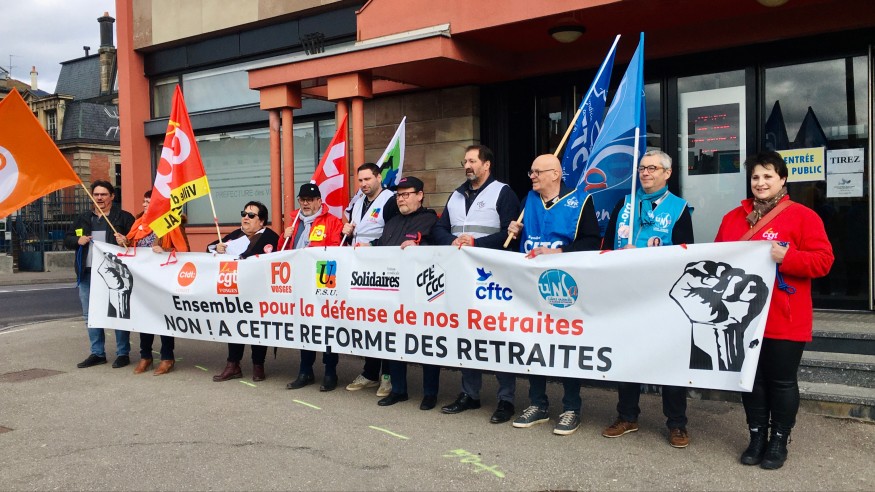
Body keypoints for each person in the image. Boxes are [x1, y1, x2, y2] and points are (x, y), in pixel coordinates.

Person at [714, 151, 833, 469]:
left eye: (768, 176)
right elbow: (718, 262)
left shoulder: (803, 217)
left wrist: (788, 258)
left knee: (781, 381)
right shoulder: (732, 218)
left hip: (785, 315)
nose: (761, 182)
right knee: (751, 380)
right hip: (743, 317)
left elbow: (824, 261)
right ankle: (756, 437)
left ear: (782, 179)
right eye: (755, 177)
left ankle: (779, 439)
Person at [599, 150, 695, 448]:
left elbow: (685, 255)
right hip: (626, 295)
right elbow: (605, 246)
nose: (645, 173)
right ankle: (627, 416)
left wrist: (641, 255)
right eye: (642, 167)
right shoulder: (624, 203)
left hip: (662, 298)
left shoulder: (679, 208)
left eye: (652, 168)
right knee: (628, 356)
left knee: (669, 360)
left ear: (667, 173)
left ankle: (677, 423)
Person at [506, 154, 601, 435]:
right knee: (534, 345)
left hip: (565, 287)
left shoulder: (580, 201)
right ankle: (538, 403)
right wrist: (513, 232)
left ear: (555, 174)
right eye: (531, 172)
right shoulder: (529, 201)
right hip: (531, 287)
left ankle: (571, 407)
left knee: (567, 346)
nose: (532, 176)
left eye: (537, 172)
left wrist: (558, 252)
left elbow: (591, 241)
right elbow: (516, 243)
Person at [431, 144, 521, 424]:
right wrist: (452, 241)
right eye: (465, 162)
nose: (467, 166)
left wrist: (476, 243)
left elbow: (512, 235)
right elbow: (439, 228)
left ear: (486, 165)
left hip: (493, 279)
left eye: (472, 161)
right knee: (467, 335)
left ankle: (506, 399)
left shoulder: (503, 192)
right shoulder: (456, 195)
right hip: (462, 276)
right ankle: (470, 394)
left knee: (499, 336)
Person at [358, 176, 441, 410]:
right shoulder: (392, 221)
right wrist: (369, 246)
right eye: (398, 195)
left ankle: (430, 393)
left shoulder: (430, 219)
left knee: (427, 342)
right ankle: (399, 390)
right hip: (392, 290)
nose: (401, 199)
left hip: (421, 292)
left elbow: (433, 245)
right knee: (393, 341)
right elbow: (384, 244)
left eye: (406, 194)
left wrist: (418, 245)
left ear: (420, 195)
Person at [341, 163, 400, 397]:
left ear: (378, 177)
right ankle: (370, 372)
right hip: (359, 269)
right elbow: (353, 235)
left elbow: (394, 233)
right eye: (360, 180)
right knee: (367, 322)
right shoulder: (357, 203)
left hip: (383, 269)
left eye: (368, 179)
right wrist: (346, 232)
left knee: (384, 322)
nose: (364, 184)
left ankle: (388, 375)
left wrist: (374, 245)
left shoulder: (390, 200)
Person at [64, 180, 136, 369]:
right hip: (87, 274)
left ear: (112, 196)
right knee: (90, 315)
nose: (99, 198)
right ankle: (97, 353)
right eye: (96, 194)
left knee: (118, 312)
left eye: (103, 194)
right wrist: (77, 240)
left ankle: (123, 353)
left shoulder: (123, 217)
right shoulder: (83, 218)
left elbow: (136, 241)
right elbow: (67, 239)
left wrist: (126, 240)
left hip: (115, 273)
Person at [208, 201, 280, 382]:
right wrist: (217, 248)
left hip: (259, 291)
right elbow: (210, 247)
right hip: (235, 290)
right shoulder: (236, 235)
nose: (246, 218)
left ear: (261, 221)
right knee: (235, 325)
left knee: (258, 327)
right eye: (244, 214)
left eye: (251, 215)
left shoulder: (271, 237)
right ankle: (233, 365)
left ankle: (258, 365)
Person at [283, 183, 344, 391]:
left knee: (327, 327)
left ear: (319, 201)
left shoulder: (332, 221)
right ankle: (305, 370)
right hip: (299, 282)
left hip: (323, 280)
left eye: (310, 200)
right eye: (302, 200)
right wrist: (285, 237)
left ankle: (330, 372)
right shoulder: (294, 222)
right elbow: (284, 252)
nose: (306, 204)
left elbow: (337, 250)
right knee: (304, 325)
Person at [126, 190, 190, 376]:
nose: (144, 205)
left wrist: (165, 250)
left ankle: (167, 357)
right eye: (144, 201)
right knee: (144, 317)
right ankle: (145, 356)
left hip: (163, 279)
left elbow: (185, 252)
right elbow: (132, 248)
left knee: (163, 318)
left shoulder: (172, 224)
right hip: (142, 279)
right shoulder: (139, 223)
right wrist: (125, 242)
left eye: (149, 202)